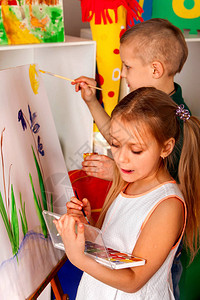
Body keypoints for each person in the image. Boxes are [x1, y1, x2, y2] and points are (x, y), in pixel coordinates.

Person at [55, 87, 200, 300]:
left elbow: (133, 280)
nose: (121, 158)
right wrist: (87, 227)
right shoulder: (129, 183)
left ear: (166, 147)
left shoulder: (168, 205)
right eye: (115, 144)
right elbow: (117, 249)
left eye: (136, 150)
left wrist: (78, 258)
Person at [72, 18, 190, 183]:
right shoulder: (145, 102)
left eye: (127, 66)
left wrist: (118, 173)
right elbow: (118, 137)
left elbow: (171, 187)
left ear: (155, 69)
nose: (122, 73)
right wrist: (91, 101)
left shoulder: (172, 120)